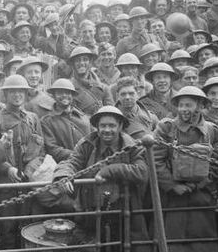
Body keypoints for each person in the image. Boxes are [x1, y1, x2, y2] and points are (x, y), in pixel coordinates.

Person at [51, 106, 150, 250]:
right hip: (91, 211)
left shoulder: (132, 146)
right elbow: (72, 162)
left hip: (123, 213)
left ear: (121, 126)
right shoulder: (87, 145)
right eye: (103, 125)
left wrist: (111, 170)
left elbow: (142, 172)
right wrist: (63, 175)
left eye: (112, 126)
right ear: (97, 127)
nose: (107, 130)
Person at [153, 86, 218, 252]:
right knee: (173, 243)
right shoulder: (166, 128)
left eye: (189, 105)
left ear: (199, 106)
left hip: (202, 195)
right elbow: (155, 161)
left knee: (204, 243)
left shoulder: (213, 131)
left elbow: (217, 163)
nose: (184, 109)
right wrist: (173, 186)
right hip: (172, 197)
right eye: (181, 105)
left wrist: (198, 185)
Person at [0, 75, 45, 248]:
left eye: (21, 91)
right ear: (5, 95)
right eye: (12, 91)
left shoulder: (33, 118)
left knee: (28, 229)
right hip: (4, 184)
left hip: (28, 183)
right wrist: (8, 169)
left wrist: (30, 169)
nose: (17, 95)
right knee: (6, 230)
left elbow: (41, 151)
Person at [40, 79, 92, 162]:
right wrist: (76, 155)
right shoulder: (47, 121)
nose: (64, 95)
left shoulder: (83, 117)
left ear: (72, 95)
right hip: (64, 164)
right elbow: (52, 149)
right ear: (54, 95)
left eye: (67, 93)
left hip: (87, 161)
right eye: (60, 93)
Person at [68, 46, 113, 115]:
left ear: (90, 63)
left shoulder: (104, 89)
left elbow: (111, 115)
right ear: (73, 64)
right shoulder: (68, 88)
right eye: (77, 60)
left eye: (85, 59)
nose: (82, 63)